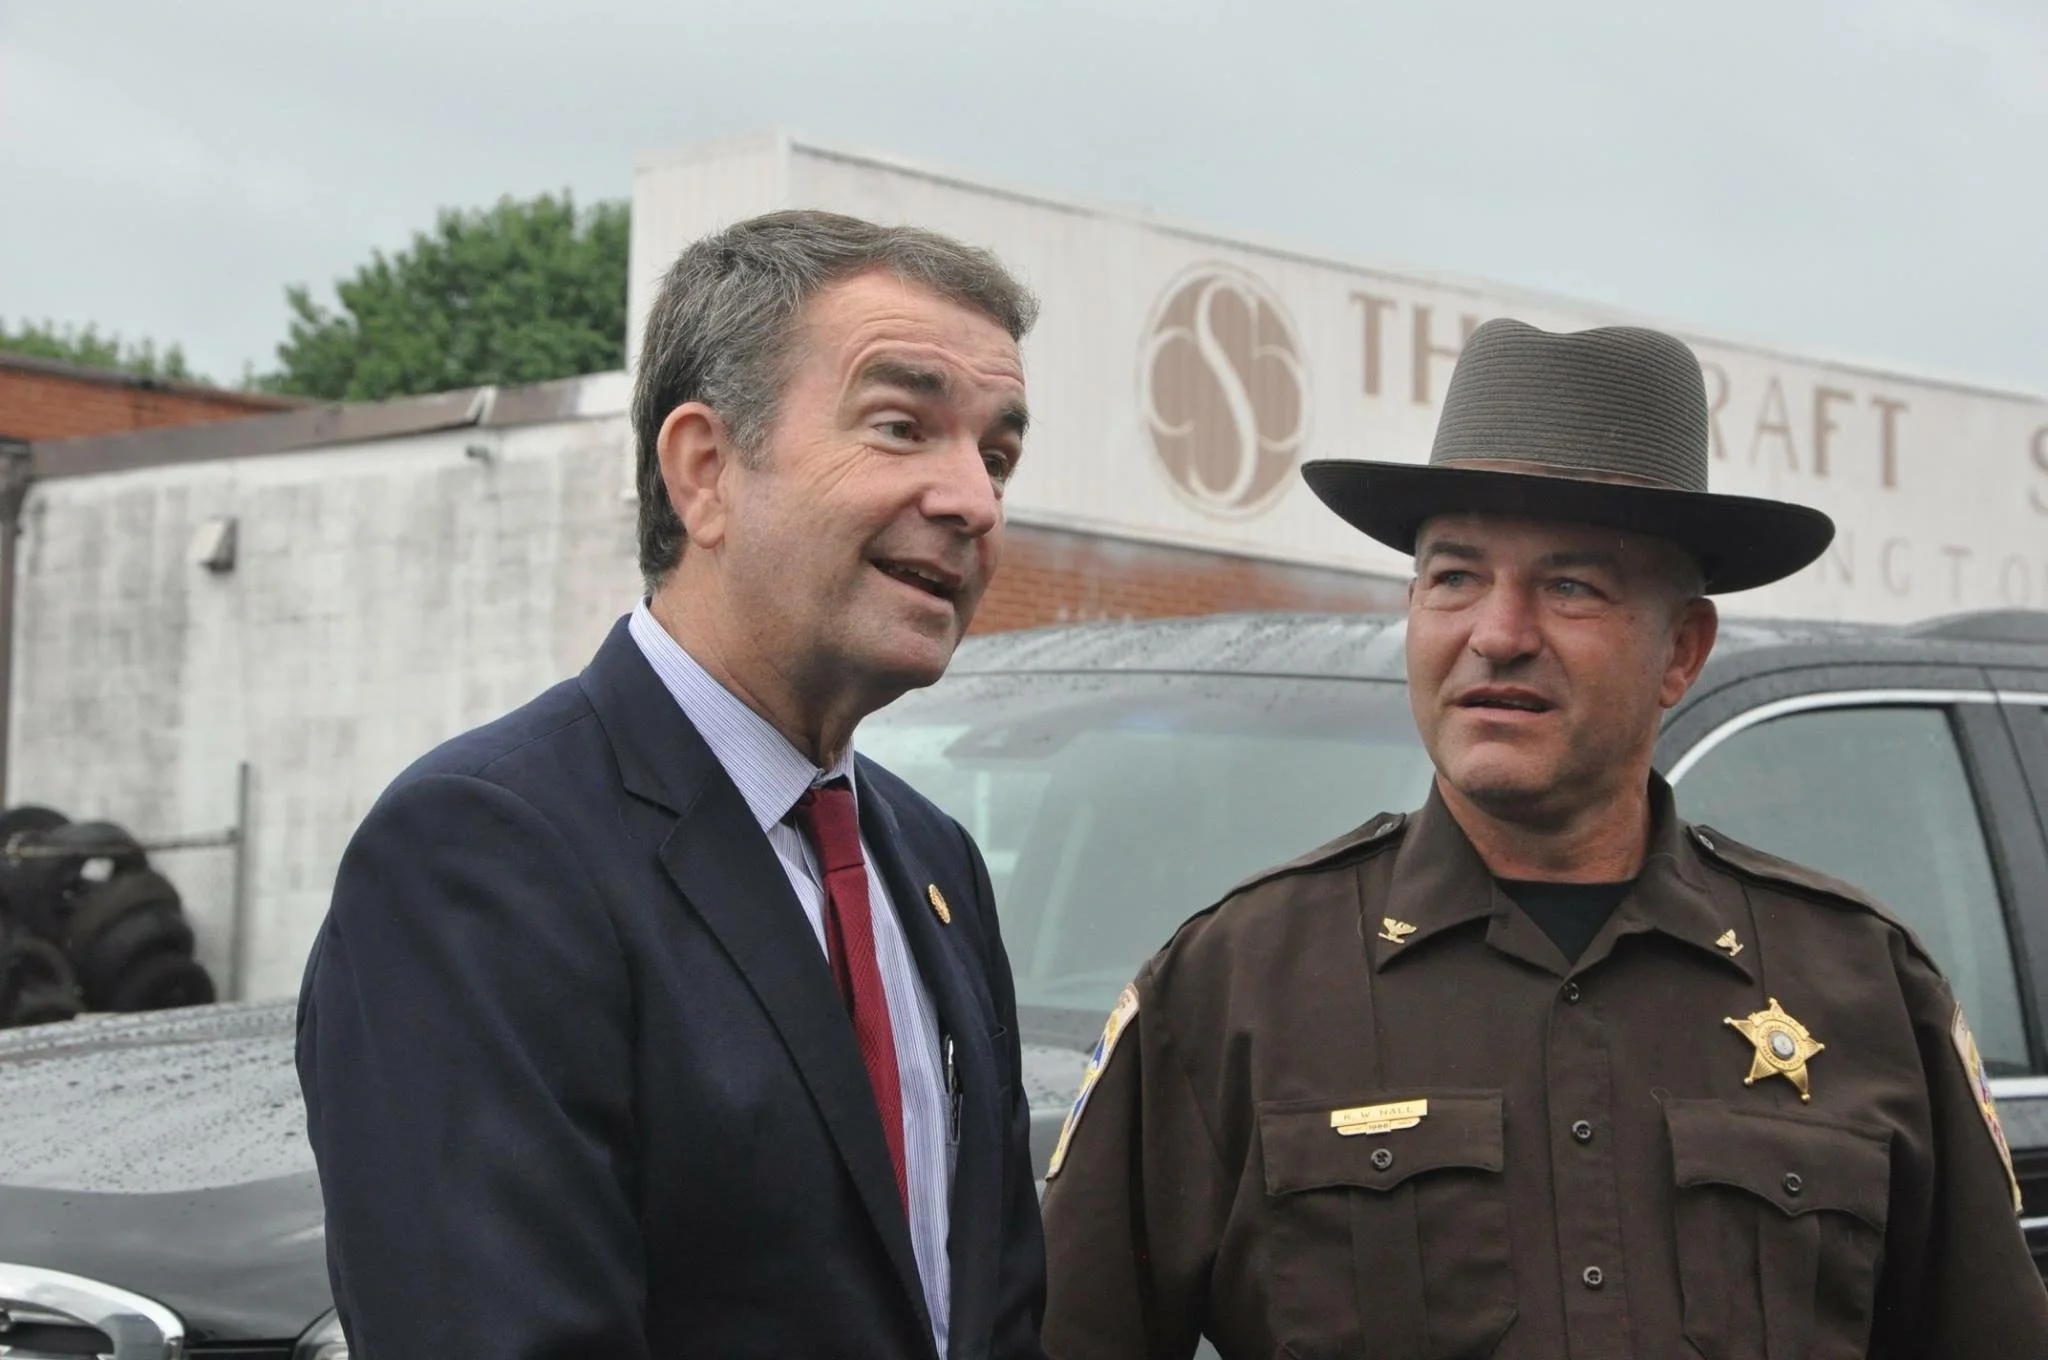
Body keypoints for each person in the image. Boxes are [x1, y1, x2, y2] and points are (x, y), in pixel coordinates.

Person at [1038, 319, 2048, 1359]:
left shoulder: (1862, 988)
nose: (1497, 631)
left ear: (1680, 651)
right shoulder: (1235, 987)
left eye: (1569, 585)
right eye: (1453, 576)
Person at [298, 209, 1047, 1359]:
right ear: (703, 470)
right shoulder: (488, 852)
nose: (973, 501)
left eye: (995, 455)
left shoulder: (934, 862)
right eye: (902, 427)